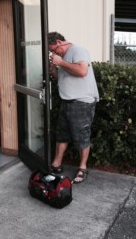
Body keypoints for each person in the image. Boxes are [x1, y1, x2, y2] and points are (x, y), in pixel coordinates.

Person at [48, 32, 99, 184]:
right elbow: (66, 78)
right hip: (67, 100)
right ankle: (56, 164)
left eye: (54, 50)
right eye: (52, 52)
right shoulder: (63, 57)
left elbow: (82, 71)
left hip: (82, 101)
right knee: (62, 133)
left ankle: (82, 168)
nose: (54, 53)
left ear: (59, 42)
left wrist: (60, 62)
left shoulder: (78, 50)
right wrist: (54, 71)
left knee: (81, 135)